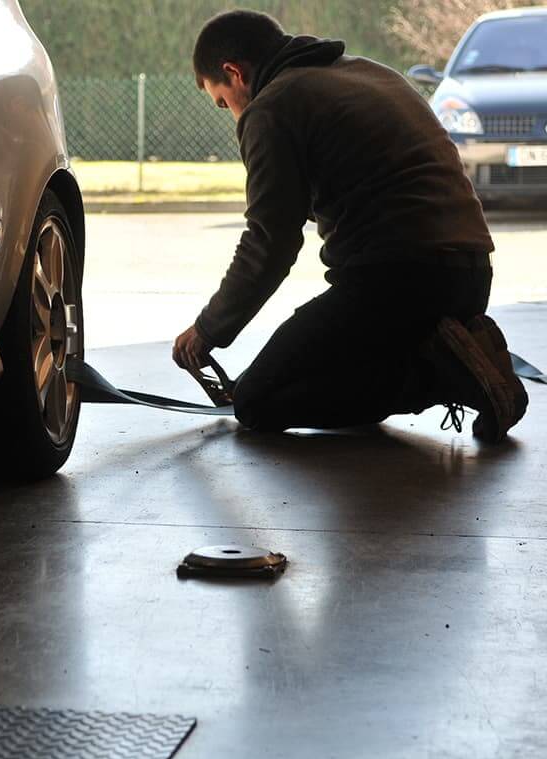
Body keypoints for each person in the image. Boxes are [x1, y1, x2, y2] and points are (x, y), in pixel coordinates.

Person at [172, 9, 528, 441]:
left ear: (235, 72)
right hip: (470, 278)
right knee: (336, 363)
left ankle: (446, 378)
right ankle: (445, 352)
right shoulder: (373, 74)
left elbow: (270, 241)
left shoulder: (272, 107)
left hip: (397, 284)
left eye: (223, 102)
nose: (231, 114)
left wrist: (209, 329)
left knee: (255, 401)